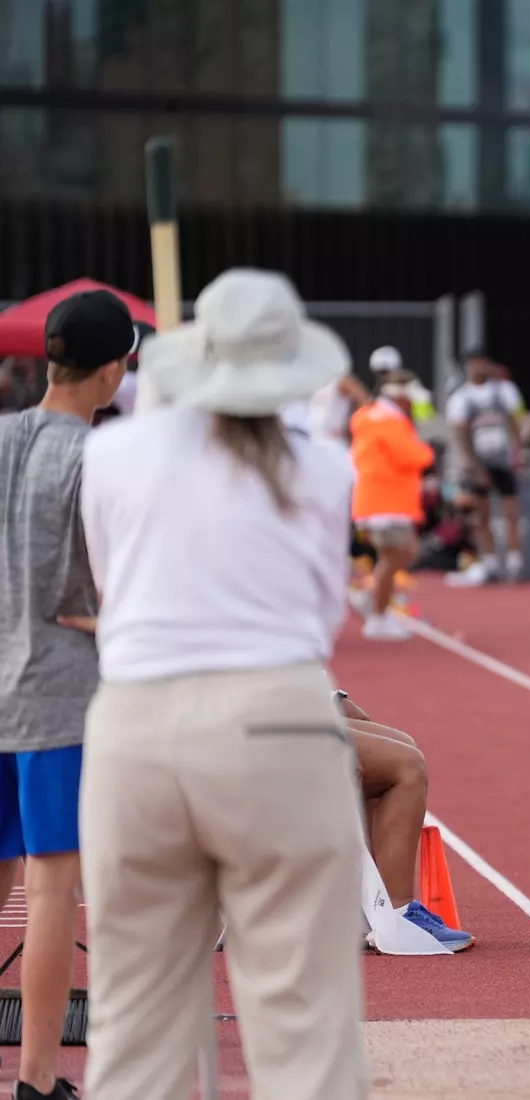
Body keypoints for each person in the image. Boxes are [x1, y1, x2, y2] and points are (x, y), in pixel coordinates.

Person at [76, 268, 369, 1100]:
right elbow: (321, 616)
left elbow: (111, 583)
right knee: (305, 1021)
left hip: (137, 718)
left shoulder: (112, 451)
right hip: (278, 715)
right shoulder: (324, 470)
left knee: (136, 1023)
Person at [0, 289, 135, 1100]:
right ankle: (37, 1077)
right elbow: (124, 585)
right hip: (55, 694)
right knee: (53, 886)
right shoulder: (97, 458)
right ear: (114, 369)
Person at [331, 691, 472, 951]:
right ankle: (397, 915)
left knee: (401, 744)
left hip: (267, 710)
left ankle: (368, 908)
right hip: (261, 723)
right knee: (406, 766)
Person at [348, 373, 435, 640]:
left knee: (401, 554)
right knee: (396, 555)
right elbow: (412, 455)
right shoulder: (386, 421)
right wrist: (426, 452)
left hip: (385, 500)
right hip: (385, 502)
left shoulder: (374, 417)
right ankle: (377, 616)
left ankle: (370, 598)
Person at [445, 349, 525, 585]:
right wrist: (473, 464)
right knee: (482, 513)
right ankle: (489, 560)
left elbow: (514, 421)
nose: (479, 368)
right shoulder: (461, 398)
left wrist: (518, 452)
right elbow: (461, 432)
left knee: (511, 512)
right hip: (479, 460)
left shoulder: (503, 391)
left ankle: (513, 560)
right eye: (474, 364)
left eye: (483, 363)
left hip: (503, 459)